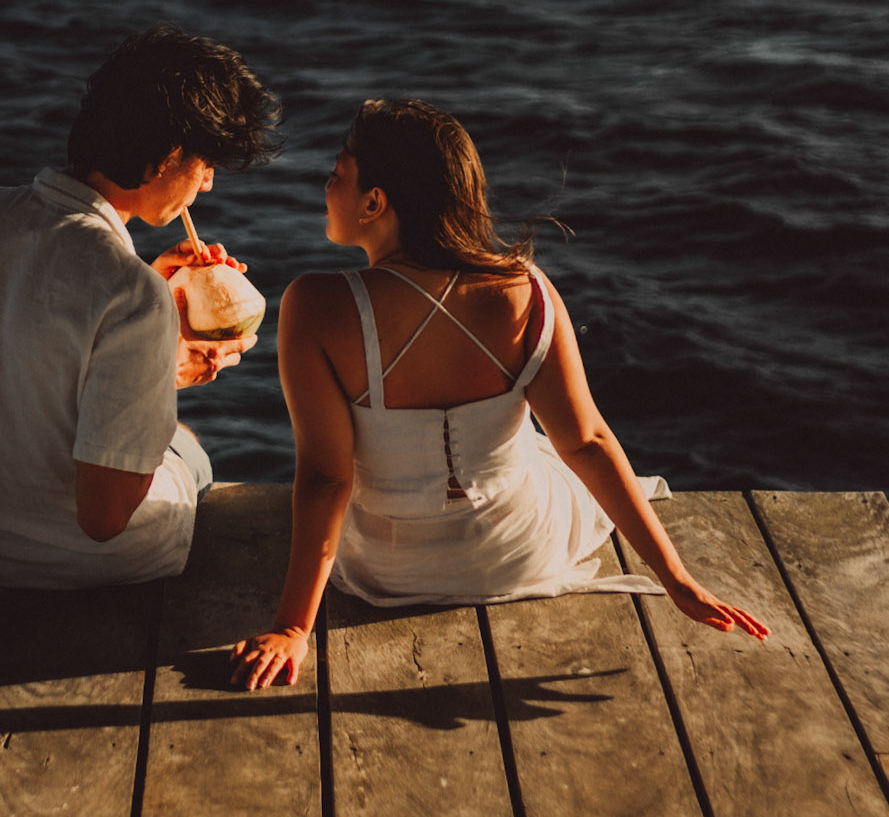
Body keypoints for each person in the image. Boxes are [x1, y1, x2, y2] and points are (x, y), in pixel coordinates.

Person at [231, 98, 767, 688]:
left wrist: (292, 629)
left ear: (375, 202)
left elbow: (326, 479)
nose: (327, 186)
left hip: (389, 573)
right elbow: (586, 441)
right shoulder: (525, 291)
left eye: (338, 175)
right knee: (540, 450)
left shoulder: (315, 304)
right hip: (516, 553)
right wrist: (678, 580)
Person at [0, 25, 277, 588]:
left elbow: (31, 344)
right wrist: (162, 370)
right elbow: (103, 519)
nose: (207, 185)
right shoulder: (131, 294)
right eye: (205, 164)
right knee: (189, 451)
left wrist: (152, 300)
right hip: (88, 562)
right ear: (166, 159)